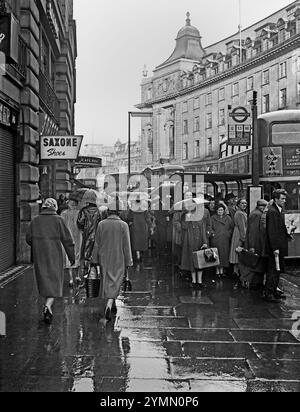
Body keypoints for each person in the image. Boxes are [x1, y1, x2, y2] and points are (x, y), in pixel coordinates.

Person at [26, 198, 75, 324]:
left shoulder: (35, 220)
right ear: (55, 207)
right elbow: (68, 241)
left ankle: (48, 307)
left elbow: (28, 238)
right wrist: (72, 257)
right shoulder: (59, 220)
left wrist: (37, 244)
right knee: (55, 282)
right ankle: (48, 306)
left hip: (40, 255)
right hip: (55, 256)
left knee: (44, 281)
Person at [92, 200, 133, 322]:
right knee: (116, 281)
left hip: (104, 256)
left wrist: (94, 259)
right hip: (118, 257)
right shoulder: (123, 225)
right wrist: (129, 261)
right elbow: (127, 245)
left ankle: (111, 303)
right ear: (119, 211)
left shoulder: (101, 224)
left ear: (108, 211)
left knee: (107, 279)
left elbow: (97, 244)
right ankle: (109, 304)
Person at [265, 190, 293, 302]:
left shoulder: (277, 210)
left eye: (285, 199)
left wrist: (287, 235)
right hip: (275, 247)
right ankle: (269, 292)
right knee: (273, 270)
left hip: (279, 245)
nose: (284, 201)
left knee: (277, 269)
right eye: (282, 198)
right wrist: (275, 247)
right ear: (276, 199)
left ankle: (274, 291)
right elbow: (272, 231)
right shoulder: (273, 212)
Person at [181, 193, 211, 289]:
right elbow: (184, 227)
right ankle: (194, 281)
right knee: (192, 261)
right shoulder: (187, 215)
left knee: (201, 261)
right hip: (190, 240)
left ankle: (199, 281)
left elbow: (204, 230)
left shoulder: (201, 217)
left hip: (200, 241)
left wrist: (205, 242)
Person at [77, 190, 102, 282]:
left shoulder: (83, 211)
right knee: (96, 255)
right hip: (97, 236)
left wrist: (84, 228)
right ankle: (96, 274)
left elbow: (80, 222)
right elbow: (101, 223)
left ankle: (86, 275)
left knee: (86, 255)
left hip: (87, 236)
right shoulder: (99, 211)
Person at [243, 199, 268, 290]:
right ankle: (256, 284)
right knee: (257, 264)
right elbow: (253, 232)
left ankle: (257, 284)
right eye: (264, 206)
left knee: (257, 264)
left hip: (257, 243)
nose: (265, 208)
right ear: (260, 206)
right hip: (257, 243)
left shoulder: (255, 213)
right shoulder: (257, 215)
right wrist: (252, 246)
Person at [61, 199, 82, 287]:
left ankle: (70, 279)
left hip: (67, 237)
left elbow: (61, 225)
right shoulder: (79, 213)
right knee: (77, 254)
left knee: (68, 256)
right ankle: (77, 276)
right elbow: (82, 224)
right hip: (78, 236)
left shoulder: (64, 213)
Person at [211, 203, 234, 278]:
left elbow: (231, 228)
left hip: (225, 239)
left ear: (224, 211)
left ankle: (222, 271)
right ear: (216, 211)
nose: (220, 211)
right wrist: (212, 233)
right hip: (216, 239)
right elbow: (209, 227)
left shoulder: (228, 218)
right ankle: (217, 271)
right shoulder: (213, 218)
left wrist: (228, 234)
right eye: (219, 210)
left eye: (222, 210)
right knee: (216, 255)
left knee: (224, 255)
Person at [127, 196, 152, 261]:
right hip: (143, 227)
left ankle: (137, 255)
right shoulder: (144, 209)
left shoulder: (132, 209)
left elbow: (129, 218)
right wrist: (151, 227)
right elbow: (148, 219)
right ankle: (141, 254)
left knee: (136, 241)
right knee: (142, 241)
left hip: (135, 227)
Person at [229, 198, 248, 286]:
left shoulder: (240, 212)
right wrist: (244, 239)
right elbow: (242, 227)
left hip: (237, 233)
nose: (244, 205)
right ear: (239, 204)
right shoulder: (240, 213)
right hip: (239, 235)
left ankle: (235, 272)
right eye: (242, 203)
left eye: (245, 203)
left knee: (237, 254)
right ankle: (237, 273)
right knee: (238, 253)